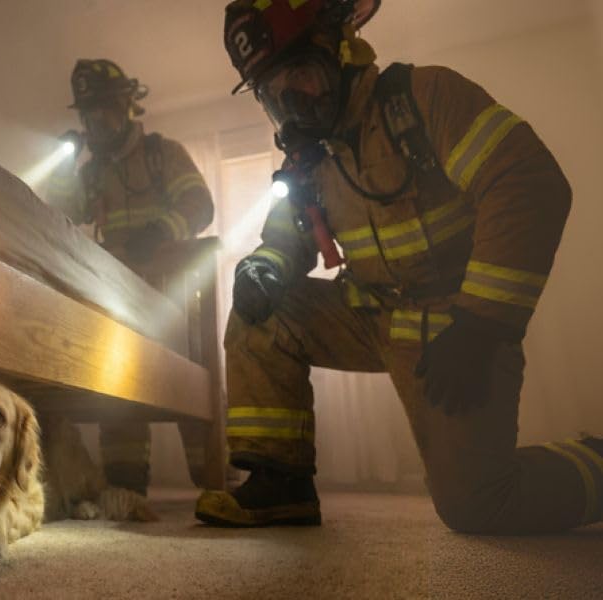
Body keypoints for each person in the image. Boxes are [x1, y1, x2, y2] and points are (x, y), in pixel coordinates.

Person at [195, 0, 603, 533]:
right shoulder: (310, 161)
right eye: (275, 92)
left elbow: (527, 182)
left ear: (340, 48)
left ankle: (598, 460)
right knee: (262, 309)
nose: (292, 101)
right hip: (370, 316)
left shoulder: (425, 97)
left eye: (300, 74)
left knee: (480, 505)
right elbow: (283, 240)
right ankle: (282, 486)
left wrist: (482, 324)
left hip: (457, 327)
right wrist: (263, 267)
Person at [47, 59, 215, 495]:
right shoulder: (91, 172)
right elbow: (64, 215)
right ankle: (124, 483)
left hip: (174, 295)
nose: (95, 121)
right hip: (117, 296)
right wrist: (64, 168)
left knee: (190, 384)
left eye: (103, 108)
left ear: (126, 106)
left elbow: (199, 204)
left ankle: (215, 478)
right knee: (117, 381)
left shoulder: (163, 154)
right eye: (87, 113)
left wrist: (160, 233)